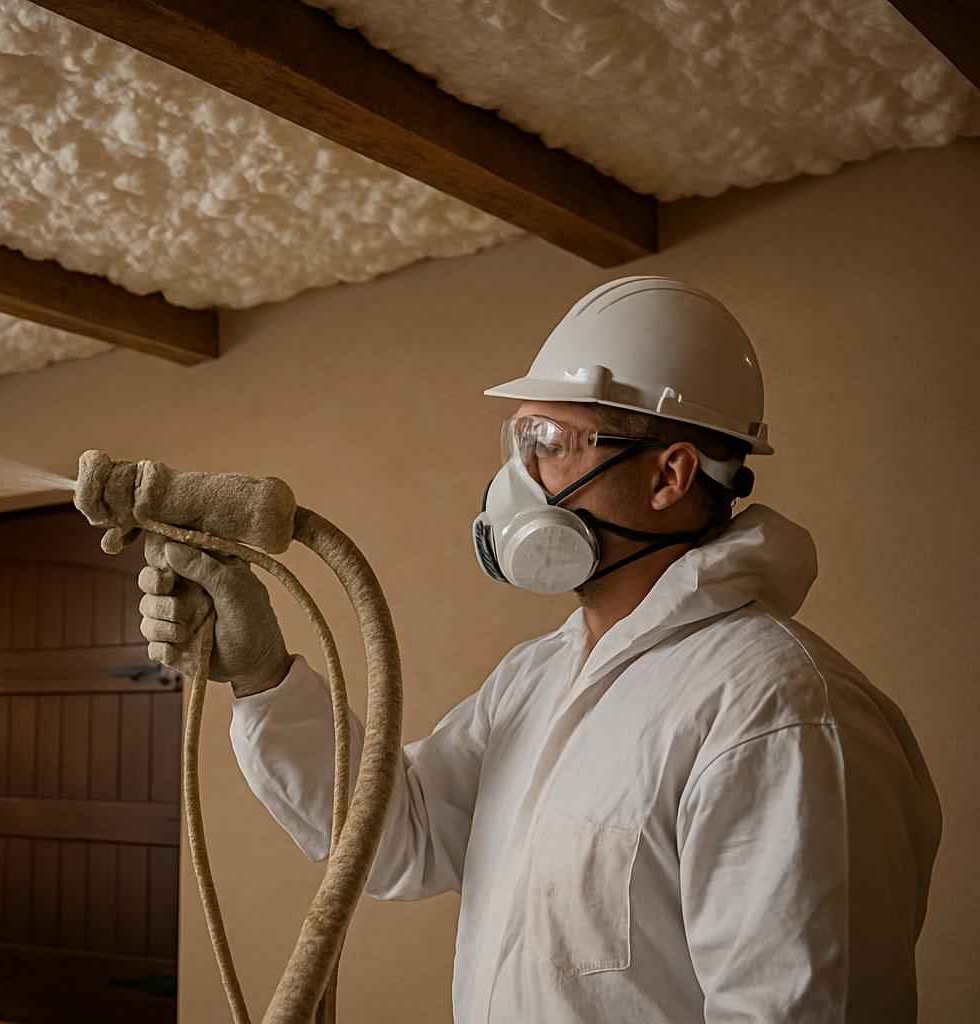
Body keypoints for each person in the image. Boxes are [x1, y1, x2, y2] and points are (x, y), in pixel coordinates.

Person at [136, 276, 942, 1022]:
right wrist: (262, 673)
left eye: (554, 441)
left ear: (669, 476)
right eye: (521, 439)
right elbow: (398, 838)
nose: (519, 480)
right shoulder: (538, 677)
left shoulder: (777, 710)